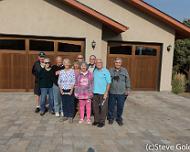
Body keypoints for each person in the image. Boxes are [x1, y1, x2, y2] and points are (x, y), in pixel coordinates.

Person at [108, 57, 131, 126]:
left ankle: (119, 118)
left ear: (121, 63)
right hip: (112, 91)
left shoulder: (124, 70)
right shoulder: (110, 70)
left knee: (120, 106)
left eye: (119, 62)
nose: (118, 64)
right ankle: (110, 118)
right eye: (116, 62)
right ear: (114, 63)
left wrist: (128, 89)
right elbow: (107, 80)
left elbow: (127, 80)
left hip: (121, 92)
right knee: (111, 106)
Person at [92, 59, 111, 128]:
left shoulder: (106, 71)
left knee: (103, 108)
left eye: (100, 62)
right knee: (95, 107)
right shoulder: (95, 71)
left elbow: (109, 83)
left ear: (102, 63)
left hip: (103, 93)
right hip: (95, 92)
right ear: (95, 64)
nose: (98, 63)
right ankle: (96, 120)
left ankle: (102, 122)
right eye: (97, 62)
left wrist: (106, 93)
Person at [58, 58, 75, 123]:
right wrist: (60, 90)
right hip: (63, 89)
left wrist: (71, 90)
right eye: (65, 62)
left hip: (70, 89)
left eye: (67, 62)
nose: (66, 64)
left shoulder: (72, 71)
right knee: (64, 103)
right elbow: (59, 81)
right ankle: (65, 115)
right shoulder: (61, 72)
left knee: (70, 103)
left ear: (70, 63)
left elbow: (73, 81)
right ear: (63, 64)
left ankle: (70, 116)